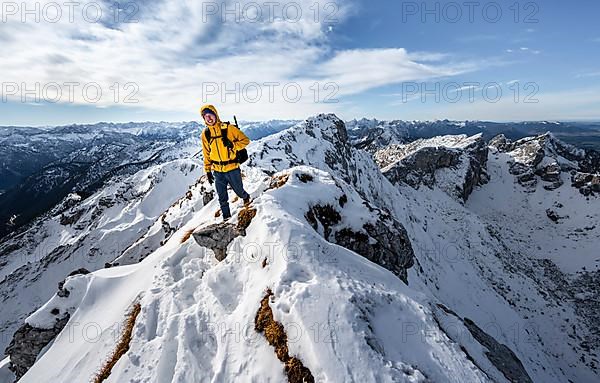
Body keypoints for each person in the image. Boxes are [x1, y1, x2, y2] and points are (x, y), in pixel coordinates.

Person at [200, 104, 251, 221]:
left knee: (239, 191)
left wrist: (233, 145)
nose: (208, 118)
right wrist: (207, 170)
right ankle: (226, 218)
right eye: (205, 116)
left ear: (215, 115)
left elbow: (245, 141)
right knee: (222, 197)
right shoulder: (206, 134)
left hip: (232, 168)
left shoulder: (228, 128)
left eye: (210, 115)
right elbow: (206, 153)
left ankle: (246, 197)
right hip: (217, 171)